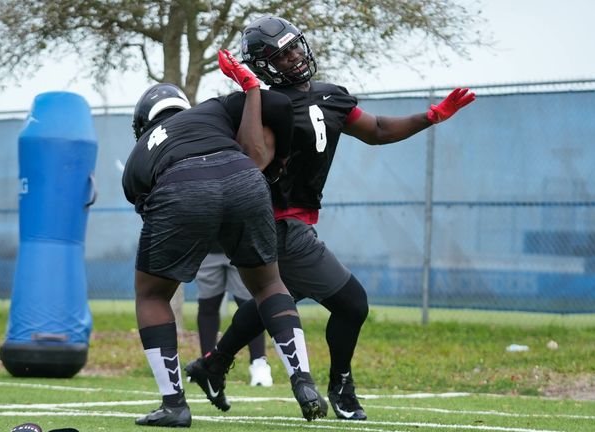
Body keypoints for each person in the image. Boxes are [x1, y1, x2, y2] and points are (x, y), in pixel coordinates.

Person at [185, 16, 476, 421]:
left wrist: (429, 117)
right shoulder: (267, 106)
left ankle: (211, 364)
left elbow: (375, 129)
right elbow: (250, 159)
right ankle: (341, 385)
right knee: (353, 304)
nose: (291, 58)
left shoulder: (331, 97)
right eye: (279, 55)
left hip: (294, 221)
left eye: (292, 48)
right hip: (274, 222)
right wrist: (251, 91)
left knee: (275, 297)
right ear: (264, 66)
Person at [122, 50, 327, 428]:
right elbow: (279, 104)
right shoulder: (214, 109)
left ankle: (174, 404)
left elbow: (155, 213)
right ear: (184, 107)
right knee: (268, 284)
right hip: (243, 177)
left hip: (179, 187)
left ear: (143, 124)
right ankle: (303, 380)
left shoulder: (137, 156)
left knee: (151, 294)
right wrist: (279, 159)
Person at [194, 242, 273, 387]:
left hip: (241, 246)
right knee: (207, 305)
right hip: (207, 246)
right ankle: (206, 365)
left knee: (250, 306)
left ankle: (259, 363)